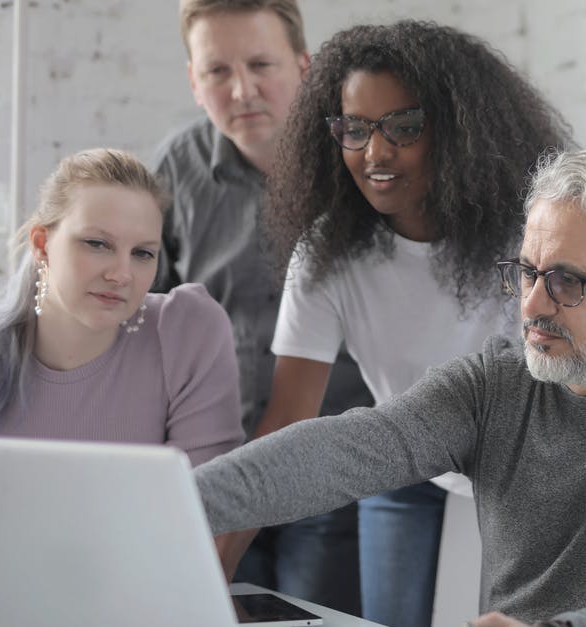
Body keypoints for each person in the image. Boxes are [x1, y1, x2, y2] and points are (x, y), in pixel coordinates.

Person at [196, 150, 586, 626]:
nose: (531, 305)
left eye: (566, 281)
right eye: (527, 272)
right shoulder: (493, 385)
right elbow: (344, 450)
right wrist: (179, 500)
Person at [257, 20, 572, 626]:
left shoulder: (528, 236)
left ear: (458, 132)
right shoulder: (327, 257)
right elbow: (284, 426)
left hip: (521, 478)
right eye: (355, 128)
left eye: (404, 127)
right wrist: (206, 560)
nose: (375, 152)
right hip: (403, 470)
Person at [152, 0, 373, 613]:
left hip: (333, 481)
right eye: (217, 71)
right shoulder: (174, 170)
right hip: (211, 478)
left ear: (304, 68)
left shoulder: (360, 165)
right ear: (195, 83)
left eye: (260, 64)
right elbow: (140, 326)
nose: (242, 90)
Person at [0, 148, 243, 599]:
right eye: (97, 243)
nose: (122, 273)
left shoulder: (187, 333)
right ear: (43, 245)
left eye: (143, 253)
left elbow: (205, 530)